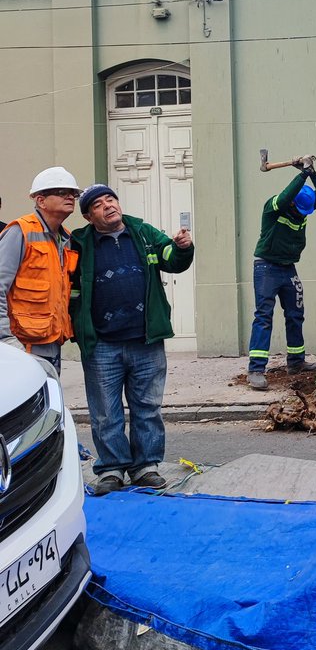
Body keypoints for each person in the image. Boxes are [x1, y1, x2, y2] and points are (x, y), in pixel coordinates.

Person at [70, 184, 195, 495]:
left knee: (147, 407)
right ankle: (111, 469)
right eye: (98, 204)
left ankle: (145, 467)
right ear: (88, 216)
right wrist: (77, 326)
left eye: (110, 199)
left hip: (146, 340)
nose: (108, 206)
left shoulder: (141, 232)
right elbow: (67, 286)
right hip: (102, 344)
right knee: (104, 412)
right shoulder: (79, 242)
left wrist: (181, 246)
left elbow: (172, 259)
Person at [247, 155, 316, 391]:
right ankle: (255, 370)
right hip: (266, 267)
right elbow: (285, 195)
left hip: (288, 268)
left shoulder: (302, 207)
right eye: (300, 210)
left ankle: (296, 361)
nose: (303, 215)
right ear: (292, 203)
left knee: (295, 313)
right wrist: (302, 174)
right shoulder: (274, 208)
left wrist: (312, 172)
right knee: (263, 317)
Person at [0, 167, 81, 375]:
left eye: (73, 193)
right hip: (21, 346)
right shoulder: (20, 231)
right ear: (40, 200)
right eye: (62, 193)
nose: (70, 197)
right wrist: (5, 339)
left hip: (51, 343)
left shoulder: (66, 239)